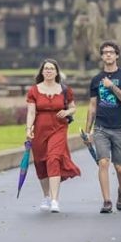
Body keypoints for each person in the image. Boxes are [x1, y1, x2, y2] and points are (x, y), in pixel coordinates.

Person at [84, 40, 121, 213]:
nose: (108, 55)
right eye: (105, 52)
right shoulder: (96, 80)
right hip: (101, 128)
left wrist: (112, 87)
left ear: (117, 55)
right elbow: (92, 106)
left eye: (111, 52)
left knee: (120, 167)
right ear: (101, 56)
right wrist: (87, 131)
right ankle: (107, 201)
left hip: (120, 128)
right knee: (103, 162)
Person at [25, 59, 81, 213]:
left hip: (58, 128)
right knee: (40, 162)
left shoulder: (64, 90)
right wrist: (28, 129)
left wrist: (67, 112)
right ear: (42, 72)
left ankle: (55, 200)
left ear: (57, 72)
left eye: (51, 69)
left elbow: (73, 108)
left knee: (53, 159)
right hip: (40, 129)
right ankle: (46, 197)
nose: (48, 71)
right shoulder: (34, 90)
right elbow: (31, 112)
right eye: (46, 69)